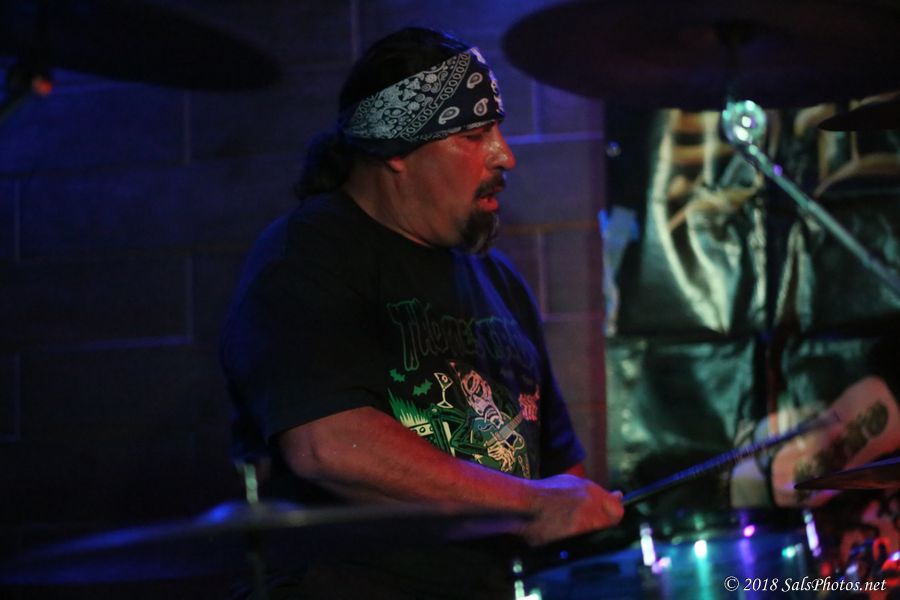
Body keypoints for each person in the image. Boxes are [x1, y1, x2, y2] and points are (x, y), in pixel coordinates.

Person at [220, 27, 624, 599]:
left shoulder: (499, 281)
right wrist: (532, 504)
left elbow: (560, 472)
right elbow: (326, 447)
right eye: (475, 134)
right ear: (396, 150)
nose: (505, 154)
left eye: (498, 130)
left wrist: (571, 512)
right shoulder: (307, 254)